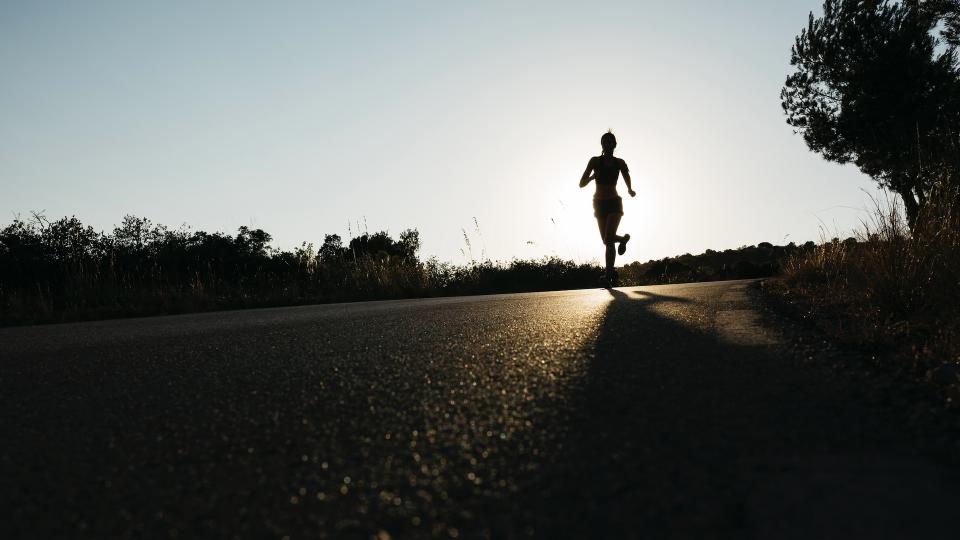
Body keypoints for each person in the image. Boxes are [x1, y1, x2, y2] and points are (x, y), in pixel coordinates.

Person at [579, 130, 635, 287]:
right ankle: (623, 239)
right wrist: (592, 177)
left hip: (614, 202)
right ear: (602, 144)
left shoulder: (619, 162)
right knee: (606, 240)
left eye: (611, 141)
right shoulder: (595, 161)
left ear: (615, 145)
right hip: (598, 204)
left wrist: (630, 189)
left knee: (609, 238)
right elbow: (581, 183)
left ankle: (608, 276)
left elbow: (626, 175)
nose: (608, 144)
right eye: (605, 141)